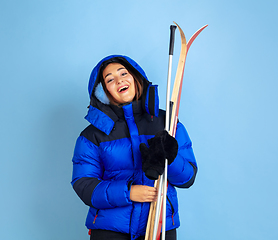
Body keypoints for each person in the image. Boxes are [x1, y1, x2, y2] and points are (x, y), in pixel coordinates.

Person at [71, 55, 197, 240]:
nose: (119, 80)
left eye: (124, 73)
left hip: (159, 225)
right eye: (110, 79)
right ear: (102, 92)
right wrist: (128, 192)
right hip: (111, 229)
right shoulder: (92, 136)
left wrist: (171, 158)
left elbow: (188, 178)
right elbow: (84, 184)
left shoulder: (168, 123)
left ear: (136, 78)